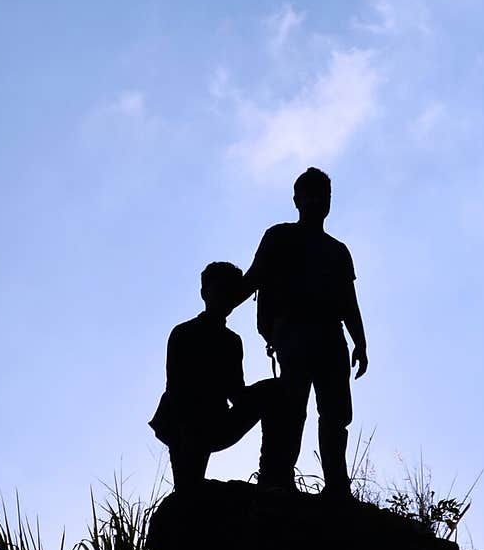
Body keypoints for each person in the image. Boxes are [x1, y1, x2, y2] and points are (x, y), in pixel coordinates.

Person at [238, 168, 368, 496]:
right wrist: (221, 305)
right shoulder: (279, 237)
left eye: (323, 194)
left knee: (336, 413)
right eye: (310, 193)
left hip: (330, 335)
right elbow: (253, 278)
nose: (317, 200)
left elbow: (348, 301)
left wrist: (360, 342)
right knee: (292, 406)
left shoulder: (338, 251)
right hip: (293, 331)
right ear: (297, 200)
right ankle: (281, 477)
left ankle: (337, 484)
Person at [149, 261, 271, 493]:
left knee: (273, 391)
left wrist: (261, 394)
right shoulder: (183, 333)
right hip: (185, 423)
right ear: (205, 293)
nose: (226, 298)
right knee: (188, 488)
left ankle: (273, 472)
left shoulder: (233, 341)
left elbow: (236, 392)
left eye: (230, 292)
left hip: (216, 420)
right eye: (220, 291)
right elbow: (177, 391)